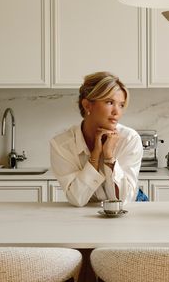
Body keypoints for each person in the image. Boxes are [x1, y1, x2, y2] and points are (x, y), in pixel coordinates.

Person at [50, 72, 143, 207]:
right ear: (88, 105)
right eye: (110, 102)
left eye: (121, 105)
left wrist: (109, 157)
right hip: (83, 217)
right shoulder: (61, 145)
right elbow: (77, 199)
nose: (117, 112)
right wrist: (94, 157)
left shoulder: (129, 139)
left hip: (128, 213)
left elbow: (123, 201)